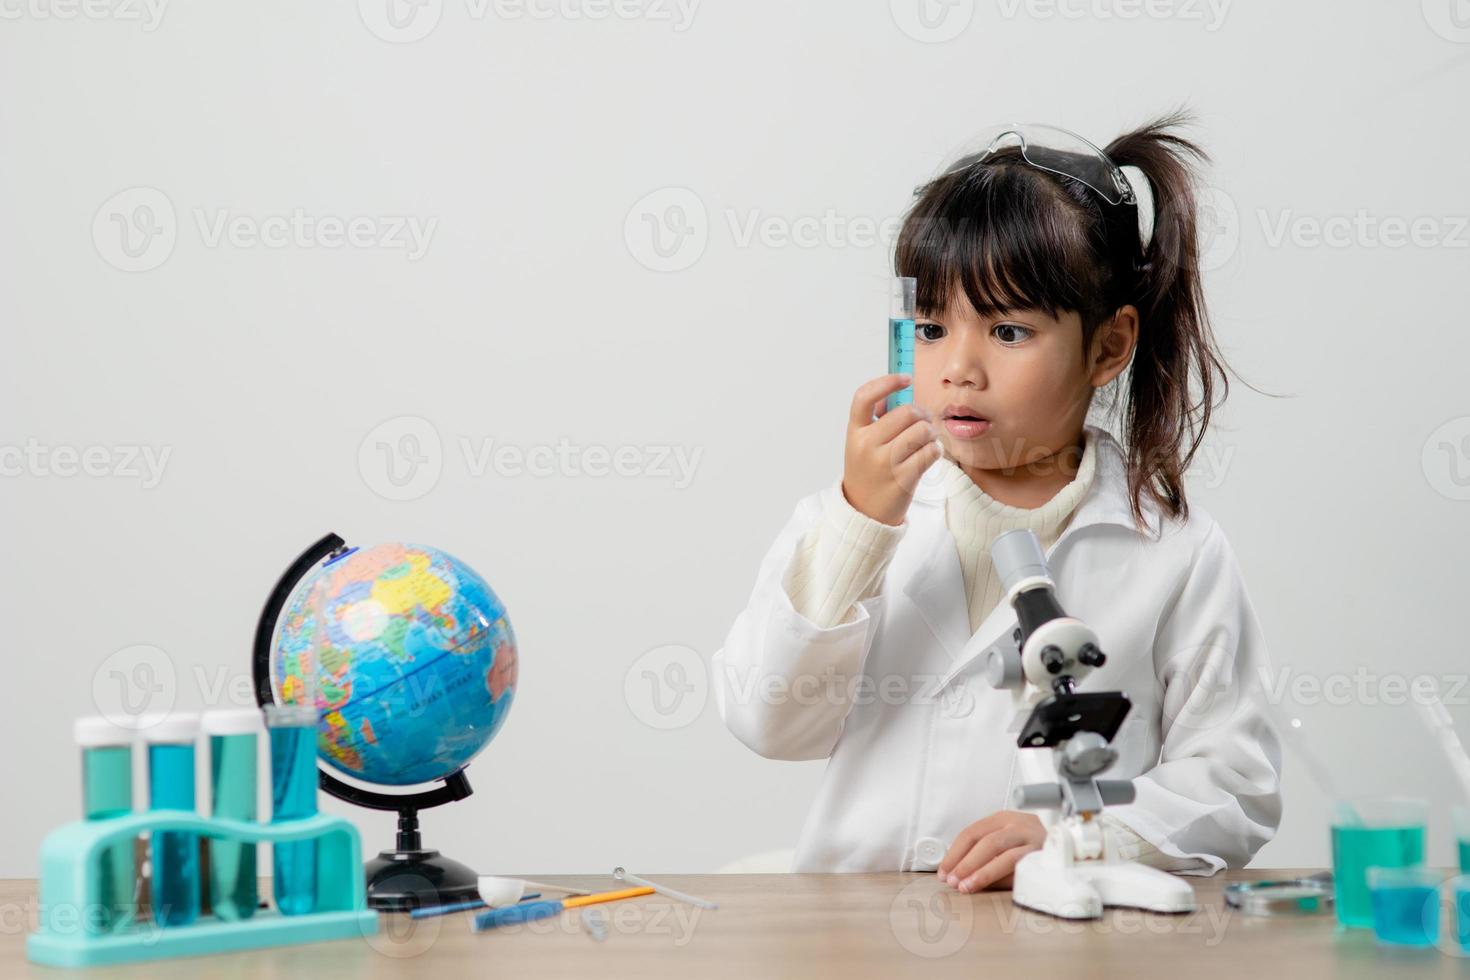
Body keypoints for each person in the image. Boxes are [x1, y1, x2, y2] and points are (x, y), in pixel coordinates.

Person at [712, 110, 1282, 892]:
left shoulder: (1176, 550)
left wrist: (1079, 835)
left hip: (1060, 926)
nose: (958, 369)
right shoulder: (848, 519)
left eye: (1009, 332)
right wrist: (858, 528)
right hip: (856, 932)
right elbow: (767, 721)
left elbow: (1234, 785)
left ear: (1109, 346)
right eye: (932, 328)